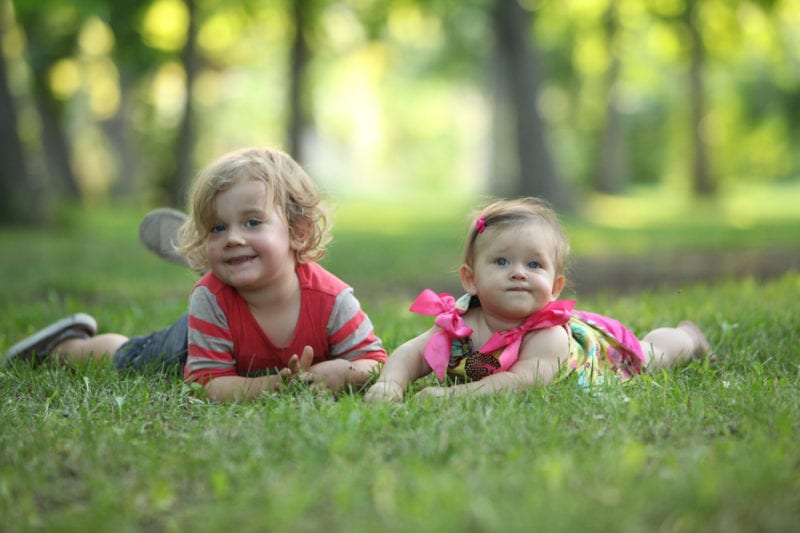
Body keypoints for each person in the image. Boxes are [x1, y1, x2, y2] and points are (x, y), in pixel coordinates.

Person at [4, 147, 387, 402]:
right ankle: (66, 346)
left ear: (298, 230)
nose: (233, 237)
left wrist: (346, 372)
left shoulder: (333, 299)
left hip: (236, 333)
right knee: (128, 355)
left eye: (252, 222)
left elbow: (375, 360)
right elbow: (209, 385)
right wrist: (279, 385)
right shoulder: (210, 299)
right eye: (217, 229)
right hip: (189, 345)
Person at [364, 197, 712, 403]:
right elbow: (412, 352)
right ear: (471, 279)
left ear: (555, 286)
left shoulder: (549, 338)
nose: (519, 273)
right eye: (501, 262)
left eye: (534, 264)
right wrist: (391, 383)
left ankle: (688, 338)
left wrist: (451, 397)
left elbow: (519, 381)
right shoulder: (460, 324)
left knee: (652, 354)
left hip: (601, 355)